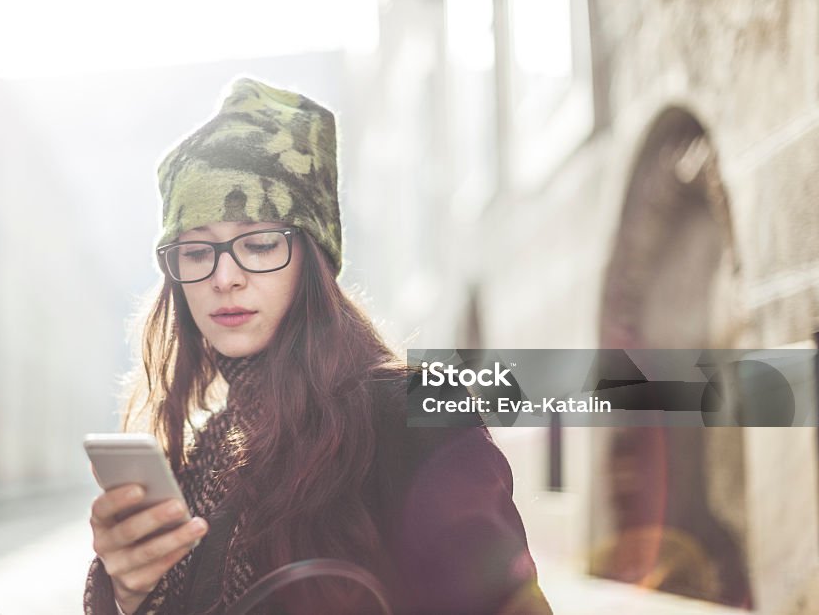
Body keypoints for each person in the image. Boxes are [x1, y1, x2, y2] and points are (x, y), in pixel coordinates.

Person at [83, 77, 553, 615]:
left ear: (314, 257)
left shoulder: (412, 414)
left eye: (259, 243)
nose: (224, 277)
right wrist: (129, 594)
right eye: (195, 252)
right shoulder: (199, 451)